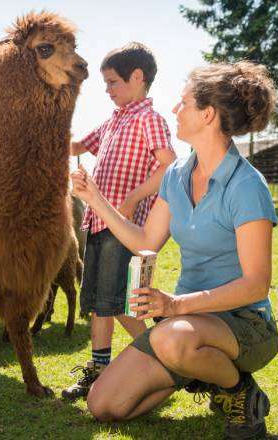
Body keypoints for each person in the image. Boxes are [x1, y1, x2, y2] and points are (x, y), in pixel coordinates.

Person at [73, 61, 278, 440]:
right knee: (104, 405)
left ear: (207, 114)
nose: (174, 110)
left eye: (183, 103)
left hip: (245, 326)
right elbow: (145, 242)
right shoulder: (177, 174)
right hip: (184, 326)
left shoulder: (247, 186)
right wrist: (95, 200)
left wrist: (175, 307)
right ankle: (202, 370)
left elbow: (256, 285)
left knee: (172, 337)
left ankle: (239, 393)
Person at [63, 42, 176, 401]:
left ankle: (168, 358)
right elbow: (78, 145)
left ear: (138, 77)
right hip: (97, 223)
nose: (108, 90)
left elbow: (168, 164)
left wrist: (133, 198)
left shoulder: (149, 119)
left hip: (123, 230)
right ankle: (98, 371)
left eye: (113, 82)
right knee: (99, 302)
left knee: (120, 303)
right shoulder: (115, 120)